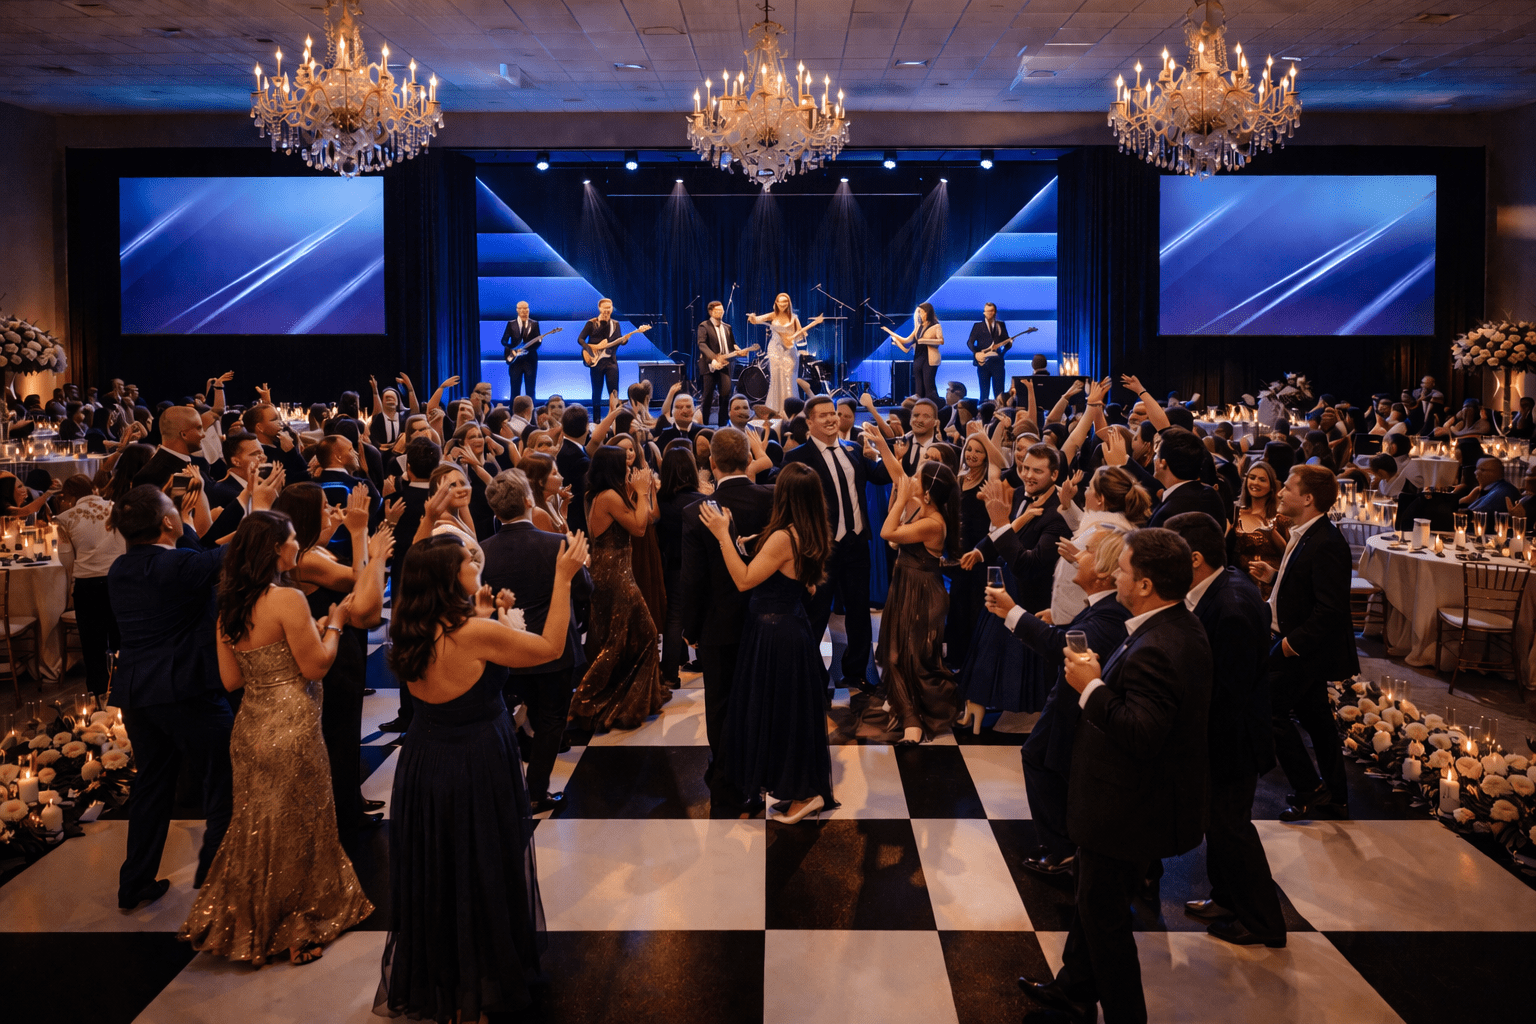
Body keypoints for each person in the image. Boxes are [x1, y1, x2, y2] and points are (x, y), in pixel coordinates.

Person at [376, 530, 588, 1022]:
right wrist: (562, 578)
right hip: (475, 759)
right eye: (467, 562)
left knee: (441, 865)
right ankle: (487, 974)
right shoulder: (472, 633)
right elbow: (551, 647)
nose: (476, 564)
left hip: (424, 760)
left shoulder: (411, 627)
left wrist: (487, 610)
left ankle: (446, 975)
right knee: (483, 862)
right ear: (449, 579)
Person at [1020, 528, 1211, 1024]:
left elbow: (1141, 733)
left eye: (1122, 570)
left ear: (1144, 584)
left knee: (1105, 925)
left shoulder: (1159, 645)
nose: (1114, 575)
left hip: (1124, 810)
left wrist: (1092, 686)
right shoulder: (1171, 625)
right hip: (1126, 805)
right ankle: (1074, 989)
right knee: (1090, 903)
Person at [179, 511, 374, 964]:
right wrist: (336, 622)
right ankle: (299, 921)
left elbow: (230, 680)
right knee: (302, 821)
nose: (295, 548)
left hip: (250, 726)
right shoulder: (287, 600)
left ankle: (250, 920)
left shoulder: (228, 605)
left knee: (255, 825)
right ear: (274, 549)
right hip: (293, 722)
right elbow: (316, 666)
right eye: (291, 540)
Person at [107, 482, 241, 910]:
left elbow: (194, 558)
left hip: (136, 691)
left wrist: (178, 522)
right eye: (173, 512)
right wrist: (257, 504)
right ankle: (213, 870)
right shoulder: (181, 566)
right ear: (168, 522)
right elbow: (224, 557)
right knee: (227, 766)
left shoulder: (121, 569)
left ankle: (135, 882)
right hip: (185, 689)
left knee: (152, 785)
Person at [1166, 511, 1287, 949]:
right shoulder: (1220, 586)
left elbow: (1228, 691)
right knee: (1217, 826)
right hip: (1223, 736)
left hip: (1233, 740)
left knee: (1231, 828)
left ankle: (1263, 922)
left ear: (1194, 558)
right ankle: (1225, 898)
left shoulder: (1231, 605)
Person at [986, 525, 1130, 875]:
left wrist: (1012, 612)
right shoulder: (1103, 605)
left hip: (1078, 709)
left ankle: (1063, 849)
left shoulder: (1111, 610)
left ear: (1104, 571)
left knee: (1042, 761)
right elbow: (1076, 635)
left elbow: (1063, 647)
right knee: (1044, 761)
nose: (1075, 556)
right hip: (1068, 703)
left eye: (1086, 551)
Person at [698, 462, 833, 823]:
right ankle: (803, 790)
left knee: (784, 718)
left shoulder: (783, 538)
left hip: (776, 635)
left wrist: (723, 534)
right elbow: (799, 581)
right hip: (790, 629)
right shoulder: (809, 530)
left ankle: (805, 795)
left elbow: (743, 581)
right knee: (791, 716)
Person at [272, 482, 391, 831]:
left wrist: (337, 527)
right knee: (336, 732)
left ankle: (349, 797)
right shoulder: (306, 559)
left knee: (346, 727)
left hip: (341, 641)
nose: (330, 509)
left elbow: (326, 547)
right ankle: (344, 813)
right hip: (330, 646)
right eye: (324, 506)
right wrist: (359, 535)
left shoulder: (311, 549)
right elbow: (359, 580)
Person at [481, 469, 594, 814]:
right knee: (551, 721)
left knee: (505, 714)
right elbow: (585, 589)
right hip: (552, 649)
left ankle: (509, 786)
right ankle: (536, 790)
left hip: (506, 648)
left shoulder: (482, 551)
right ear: (530, 501)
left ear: (495, 511)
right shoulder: (556, 544)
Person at [1249, 465, 1357, 823]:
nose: (1280, 493)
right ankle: (1337, 797)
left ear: (1308, 499)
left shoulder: (1327, 542)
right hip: (1299, 644)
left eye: (1288, 488)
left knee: (1269, 711)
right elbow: (1309, 585)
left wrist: (1288, 646)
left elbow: (1330, 609)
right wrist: (1275, 576)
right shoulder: (1307, 533)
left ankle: (1311, 789)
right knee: (1317, 720)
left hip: (1303, 649)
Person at [678, 427, 777, 814]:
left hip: (718, 624)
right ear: (748, 459)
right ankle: (761, 774)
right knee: (761, 700)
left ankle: (727, 783)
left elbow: (693, 579)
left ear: (711, 463)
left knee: (720, 704)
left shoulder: (696, 512)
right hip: (766, 618)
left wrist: (691, 628)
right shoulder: (772, 499)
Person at [784, 395, 892, 693]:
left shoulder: (855, 450)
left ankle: (857, 671)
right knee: (816, 613)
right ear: (810, 422)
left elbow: (882, 476)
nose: (831, 419)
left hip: (857, 544)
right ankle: (811, 674)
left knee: (859, 612)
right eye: (823, 415)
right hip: (822, 548)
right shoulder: (798, 458)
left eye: (834, 414)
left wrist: (887, 447)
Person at [864, 426, 961, 743]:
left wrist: (902, 497)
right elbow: (898, 475)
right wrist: (883, 446)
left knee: (915, 658)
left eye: (918, 478)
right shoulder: (922, 506)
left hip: (923, 592)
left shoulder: (933, 523)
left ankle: (920, 717)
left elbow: (887, 533)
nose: (911, 479)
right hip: (905, 586)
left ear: (928, 491)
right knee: (894, 654)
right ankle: (908, 716)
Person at [568, 445, 669, 732]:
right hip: (614, 575)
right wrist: (641, 492)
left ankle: (628, 699)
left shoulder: (608, 494)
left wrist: (644, 492)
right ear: (613, 469)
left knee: (626, 637)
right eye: (624, 466)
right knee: (626, 639)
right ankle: (586, 700)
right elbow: (639, 529)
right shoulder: (609, 496)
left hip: (615, 571)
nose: (629, 469)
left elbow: (648, 518)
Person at [55, 474, 127, 695]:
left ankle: (97, 694)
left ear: (69, 497)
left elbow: (67, 560)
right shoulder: (118, 508)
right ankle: (124, 690)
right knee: (121, 639)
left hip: (88, 585)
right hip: (120, 580)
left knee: (92, 644)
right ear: (93, 489)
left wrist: (68, 591)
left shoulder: (66, 518)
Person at [657, 447, 704, 688]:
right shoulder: (702, 500)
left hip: (673, 565)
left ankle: (669, 676)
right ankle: (705, 660)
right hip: (701, 566)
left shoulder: (658, 502)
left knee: (674, 618)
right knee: (705, 612)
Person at [1227, 459, 1292, 597]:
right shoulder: (1235, 513)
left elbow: (1289, 552)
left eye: (1262, 480)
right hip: (1242, 587)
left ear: (1271, 486)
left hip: (1273, 587)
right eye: (1252, 478)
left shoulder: (1281, 516)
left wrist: (1269, 531)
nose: (1255, 483)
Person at [747, 293, 821, 414]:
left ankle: (791, 408)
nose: (783, 304)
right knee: (776, 378)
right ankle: (775, 409)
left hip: (789, 350)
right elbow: (756, 320)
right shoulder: (772, 315)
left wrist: (791, 338)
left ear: (788, 303)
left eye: (785, 302)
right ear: (776, 303)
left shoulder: (794, 318)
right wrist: (753, 317)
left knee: (789, 379)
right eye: (780, 302)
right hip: (775, 350)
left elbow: (801, 336)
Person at [578, 298, 636, 410]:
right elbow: (580, 339)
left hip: (611, 362)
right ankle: (596, 420)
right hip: (596, 362)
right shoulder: (591, 323)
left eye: (608, 308)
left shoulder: (616, 324)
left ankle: (614, 419)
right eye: (604, 308)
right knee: (596, 392)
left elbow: (618, 341)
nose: (606, 310)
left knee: (614, 392)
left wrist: (624, 340)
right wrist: (590, 348)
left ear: (612, 308)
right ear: (599, 308)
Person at [883, 302, 943, 402]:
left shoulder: (936, 326)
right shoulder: (918, 327)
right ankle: (921, 407)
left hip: (930, 358)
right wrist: (890, 332)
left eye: (922, 312)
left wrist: (923, 340)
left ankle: (934, 405)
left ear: (927, 312)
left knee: (929, 385)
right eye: (918, 312)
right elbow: (906, 341)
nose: (920, 315)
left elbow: (941, 341)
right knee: (919, 389)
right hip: (918, 358)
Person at [696, 301, 740, 427]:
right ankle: (703, 425)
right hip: (710, 366)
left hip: (724, 366)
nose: (720, 313)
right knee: (708, 398)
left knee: (726, 395)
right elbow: (702, 344)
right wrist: (714, 358)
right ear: (711, 312)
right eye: (717, 311)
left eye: (722, 311)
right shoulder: (704, 326)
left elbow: (733, 344)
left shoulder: (727, 327)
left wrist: (739, 351)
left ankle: (722, 425)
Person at [967, 302, 1010, 401]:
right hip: (983, 363)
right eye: (986, 311)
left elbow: (1007, 343)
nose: (987, 313)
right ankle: (983, 413)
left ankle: (1000, 413)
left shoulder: (1001, 325)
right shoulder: (978, 326)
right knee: (984, 393)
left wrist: (1006, 348)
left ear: (994, 312)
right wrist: (976, 353)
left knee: (999, 394)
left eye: (990, 311)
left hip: (997, 362)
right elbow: (970, 342)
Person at [501, 300, 542, 398]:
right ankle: (513, 411)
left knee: (531, 390)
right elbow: (504, 341)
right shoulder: (511, 324)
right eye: (522, 309)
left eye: (526, 309)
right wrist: (514, 350)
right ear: (517, 310)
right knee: (514, 390)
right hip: (515, 361)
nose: (524, 311)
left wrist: (528, 350)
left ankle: (531, 412)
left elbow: (538, 342)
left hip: (530, 361)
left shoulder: (534, 324)